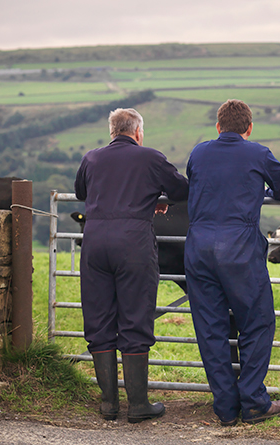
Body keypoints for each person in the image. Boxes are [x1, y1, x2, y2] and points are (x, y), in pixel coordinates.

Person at [184, 99, 280, 426]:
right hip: (239, 248)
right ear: (249, 128)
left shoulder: (198, 153)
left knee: (210, 328)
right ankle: (254, 401)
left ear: (218, 127)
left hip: (199, 247)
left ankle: (225, 408)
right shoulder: (257, 153)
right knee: (257, 322)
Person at [74, 108, 188, 423]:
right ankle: (138, 405)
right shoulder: (150, 158)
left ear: (112, 131)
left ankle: (109, 404)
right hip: (133, 243)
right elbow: (182, 190)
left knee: (99, 320)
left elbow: (81, 192)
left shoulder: (92, 158)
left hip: (95, 243)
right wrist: (156, 197)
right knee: (135, 317)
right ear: (137, 132)